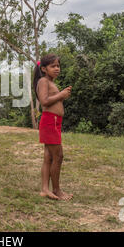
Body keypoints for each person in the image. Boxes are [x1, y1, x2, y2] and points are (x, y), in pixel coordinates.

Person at [34, 54, 73, 201]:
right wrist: (61, 94)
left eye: (58, 66)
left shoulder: (49, 82)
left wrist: (62, 94)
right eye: (53, 66)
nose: (57, 68)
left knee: (49, 157)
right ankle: (56, 190)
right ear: (44, 69)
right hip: (50, 121)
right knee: (58, 156)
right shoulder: (43, 81)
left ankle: (45, 189)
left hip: (55, 122)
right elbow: (44, 101)